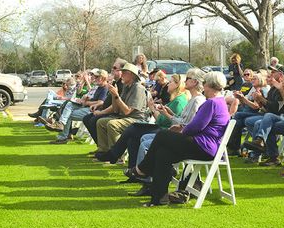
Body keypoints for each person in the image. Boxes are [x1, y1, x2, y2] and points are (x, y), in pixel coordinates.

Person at [127, 71, 230, 206]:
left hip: (203, 146)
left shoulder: (211, 103)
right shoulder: (219, 102)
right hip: (204, 145)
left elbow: (195, 127)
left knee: (162, 135)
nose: (203, 86)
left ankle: (143, 168)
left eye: (204, 83)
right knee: (163, 153)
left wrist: (181, 129)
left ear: (210, 85)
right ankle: (159, 198)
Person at [95, 73, 189, 165]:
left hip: (166, 131)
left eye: (171, 82)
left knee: (132, 128)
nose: (168, 84)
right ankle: (133, 168)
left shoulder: (179, 101)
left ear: (178, 85)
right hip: (162, 128)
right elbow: (116, 110)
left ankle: (114, 154)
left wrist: (152, 108)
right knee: (132, 137)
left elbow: (164, 121)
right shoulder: (176, 99)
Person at [95, 62, 149, 154]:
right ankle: (104, 152)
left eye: (124, 72)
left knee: (112, 124)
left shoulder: (138, 88)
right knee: (101, 122)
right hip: (126, 118)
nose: (122, 74)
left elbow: (127, 111)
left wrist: (116, 95)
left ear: (131, 75)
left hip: (137, 120)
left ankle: (117, 155)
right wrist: (113, 95)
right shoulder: (126, 87)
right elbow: (116, 109)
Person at [47, 70, 109, 144]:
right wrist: (85, 99)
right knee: (69, 105)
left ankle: (62, 135)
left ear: (103, 78)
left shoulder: (105, 88)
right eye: (94, 76)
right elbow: (90, 97)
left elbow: (100, 102)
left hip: (93, 110)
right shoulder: (99, 87)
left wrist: (87, 102)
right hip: (86, 106)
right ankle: (61, 126)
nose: (94, 78)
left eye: (96, 77)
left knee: (67, 114)